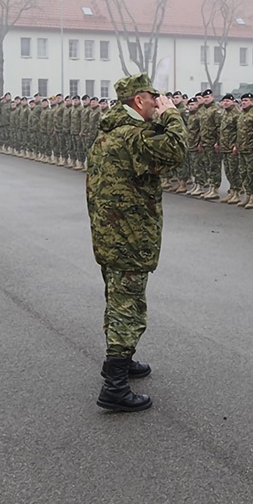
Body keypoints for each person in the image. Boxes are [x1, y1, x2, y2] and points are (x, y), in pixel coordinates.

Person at [86, 73, 185, 412]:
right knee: (128, 309)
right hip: (129, 237)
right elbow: (176, 150)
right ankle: (114, 387)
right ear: (139, 100)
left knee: (118, 301)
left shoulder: (111, 132)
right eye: (154, 97)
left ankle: (122, 362)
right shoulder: (132, 136)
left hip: (111, 235)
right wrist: (172, 115)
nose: (158, 102)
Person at [235, 93, 253, 209]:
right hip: (242, 149)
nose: (243, 102)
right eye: (242, 101)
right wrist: (237, 145)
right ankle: (247, 195)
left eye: (246, 100)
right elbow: (239, 132)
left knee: (252, 174)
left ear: (252, 101)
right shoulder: (242, 114)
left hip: (251, 149)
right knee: (243, 173)